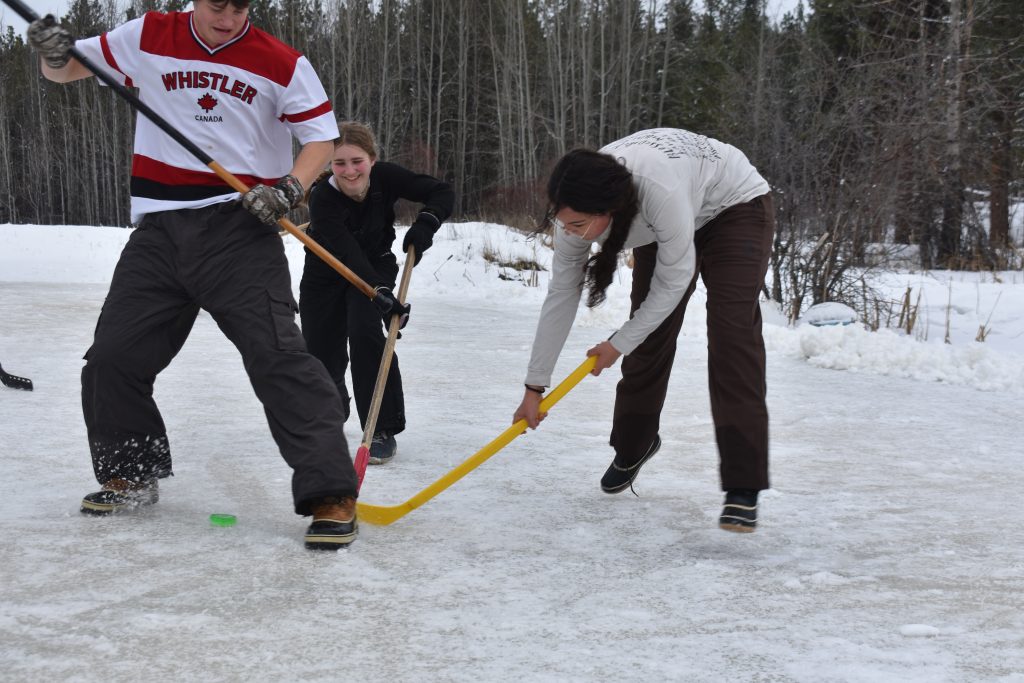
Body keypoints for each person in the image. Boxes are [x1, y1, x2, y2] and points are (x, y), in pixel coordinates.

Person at [26, 0, 404, 550]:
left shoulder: (281, 61)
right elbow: (66, 71)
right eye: (216, 5)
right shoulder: (150, 34)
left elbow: (321, 138)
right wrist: (54, 55)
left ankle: (330, 492)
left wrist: (289, 189)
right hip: (159, 232)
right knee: (113, 355)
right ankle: (131, 471)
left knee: (278, 356)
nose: (227, 17)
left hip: (240, 229)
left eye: (240, 6)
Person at [513, 128, 774, 533]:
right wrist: (534, 386)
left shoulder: (656, 191)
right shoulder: (575, 213)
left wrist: (618, 343)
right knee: (649, 336)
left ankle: (743, 484)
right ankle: (634, 446)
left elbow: (674, 282)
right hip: (665, 215)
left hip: (733, 206)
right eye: (562, 222)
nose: (568, 231)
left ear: (610, 210)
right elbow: (562, 293)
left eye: (577, 224)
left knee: (732, 332)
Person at [300, 122, 454, 463]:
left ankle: (381, 428)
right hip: (326, 272)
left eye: (357, 161)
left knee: (366, 332)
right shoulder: (323, 197)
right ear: (330, 165)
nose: (349, 171)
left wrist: (426, 223)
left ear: (372, 159)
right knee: (320, 350)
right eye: (339, 163)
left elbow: (441, 192)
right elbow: (347, 253)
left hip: (375, 262)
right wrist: (381, 293)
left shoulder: (386, 177)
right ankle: (333, 400)